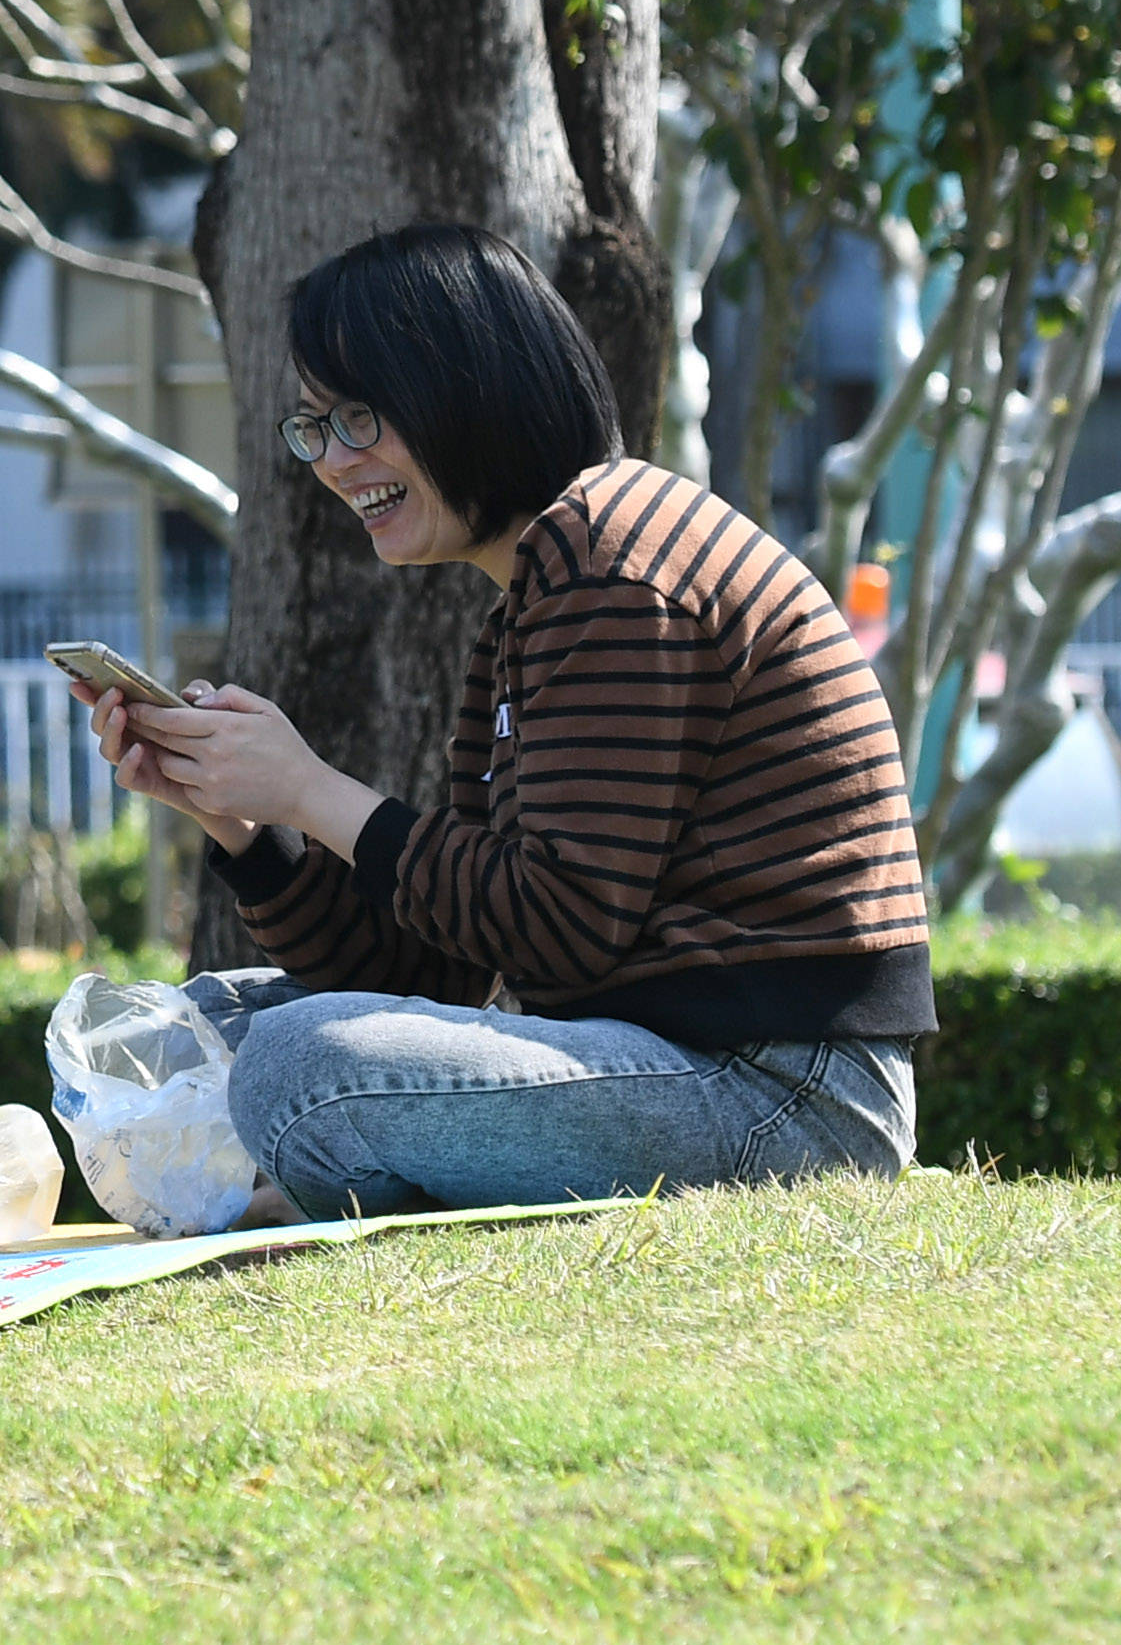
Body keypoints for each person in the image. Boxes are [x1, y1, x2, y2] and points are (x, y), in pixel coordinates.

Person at [68, 223, 930, 1212]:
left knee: (294, 1061)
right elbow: (439, 975)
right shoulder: (534, 597)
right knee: (213, 1018)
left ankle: (299, 1187)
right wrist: (243, 822)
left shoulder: (609, 560)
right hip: (675, 1064)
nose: (336, 461)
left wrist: (308, 787)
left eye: (360, 416)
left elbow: (560, 927)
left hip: (787, 1097)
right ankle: (313, 1176)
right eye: (313, 427)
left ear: (465, 385)